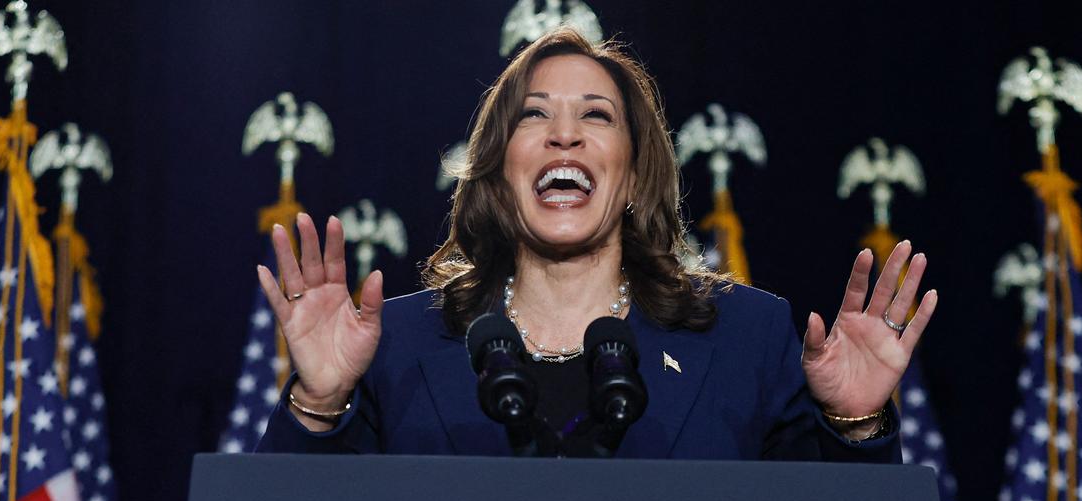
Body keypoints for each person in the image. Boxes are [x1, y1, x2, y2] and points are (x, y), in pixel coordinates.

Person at [254, 27, 936, 460]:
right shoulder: (397, 344)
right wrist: (318, 401)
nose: (565, 136)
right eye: (535, 117)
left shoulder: (745, 339)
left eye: (596, 117)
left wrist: (856, 425)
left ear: (636, 176)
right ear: (498, 171)